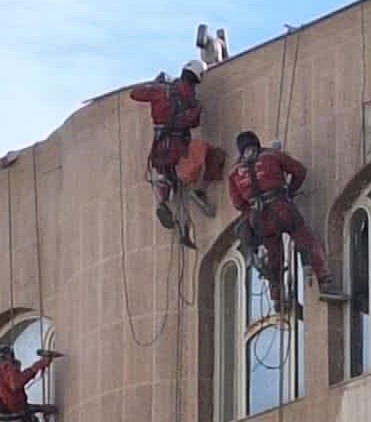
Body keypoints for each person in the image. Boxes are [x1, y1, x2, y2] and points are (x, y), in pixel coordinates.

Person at [228, 131, 342, 311]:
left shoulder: (234, 173)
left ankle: (278, 297)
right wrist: (289, 191)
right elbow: (300, 171)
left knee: (274, 256)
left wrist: (253, 204)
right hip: (282, 208)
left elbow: (237, 203)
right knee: (306, 240)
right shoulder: (271, 156)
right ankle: (325, 281)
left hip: (260, 218)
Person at [130, 61, 225, 244]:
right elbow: (194, 122)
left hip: (160, 149)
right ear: (198, 78)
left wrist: (154, 85)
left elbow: (135, 94)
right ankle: (199, 190)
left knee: (165, 176)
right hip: (180, 148)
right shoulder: (193, 101)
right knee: (213, 155)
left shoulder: (161, 91)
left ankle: (163, 201)